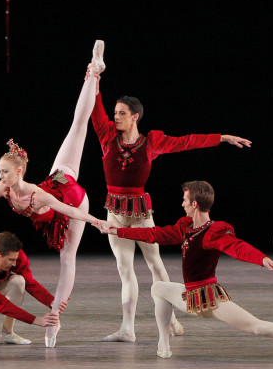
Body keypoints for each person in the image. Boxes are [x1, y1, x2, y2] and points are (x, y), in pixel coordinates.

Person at [0, 41, 107, 348]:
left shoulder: (36, 195)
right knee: (77, 127)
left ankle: (54, 321)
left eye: (4, 172)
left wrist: (96, 221)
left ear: (19, 173)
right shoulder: (3, 187)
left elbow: (68, 212)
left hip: (73, 200)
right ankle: (93, 73)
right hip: (60, 177)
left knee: (67, 257)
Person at [89, 70, 251, 342]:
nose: (114, 117)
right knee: (124, 269)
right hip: (115, 213)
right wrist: (94, 80)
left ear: (135, 116)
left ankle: (172, 317)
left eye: (121, 113)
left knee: (156, 264)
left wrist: (220, 137)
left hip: (140, 213)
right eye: (114, 112)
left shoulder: (150, 142)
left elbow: (186, 141)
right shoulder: (107, 136)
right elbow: (95, 111)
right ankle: (127, 328)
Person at [96, 181, 273, 366]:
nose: (182, 204)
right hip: (189, 297)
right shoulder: (186, 227)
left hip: (210, 300)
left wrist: (261, 258)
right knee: (158, 288)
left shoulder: (213, 232)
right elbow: (154, 234)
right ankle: (163, 345)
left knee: (259, 327)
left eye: (185, 200)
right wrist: (117, 231)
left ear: (195, 204)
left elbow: (236, 246)